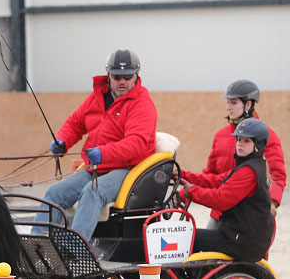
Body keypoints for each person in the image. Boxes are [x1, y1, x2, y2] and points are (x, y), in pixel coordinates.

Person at [34, 49, 158, 245]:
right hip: (97, 167)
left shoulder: (142, 104)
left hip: (128, 169)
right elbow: (75, 123)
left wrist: (104, 153)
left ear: (137, 76)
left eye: (128, 76)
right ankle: (38, 247)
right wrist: (63, 141)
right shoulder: (97, 97)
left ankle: (73, 251)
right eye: (117, 76)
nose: (122, 81)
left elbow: (136, 143)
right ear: (109, 75)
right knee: (54, 193)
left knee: (93, 192)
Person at [189, 79, 285, 225]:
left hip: (251, 217)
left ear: (248, 104)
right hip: (221, 214)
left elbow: (277, 175)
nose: (228, 107)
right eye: (227, 102)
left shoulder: (267, 136)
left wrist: (271, 202)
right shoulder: (220, 135)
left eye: (233, 103)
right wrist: (187, 189)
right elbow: (211, 174)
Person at [179, 118, 274, 262]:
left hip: (239, 242)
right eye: (238, 140)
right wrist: (182, 175)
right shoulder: (249, 166)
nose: (240, 144)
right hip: (241, 238)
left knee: (185, 239)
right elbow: (217, 180)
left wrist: (190, 191)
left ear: (258, 145)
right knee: (190, 237)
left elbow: (221, 199)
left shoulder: (248, 172)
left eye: (246, 141)